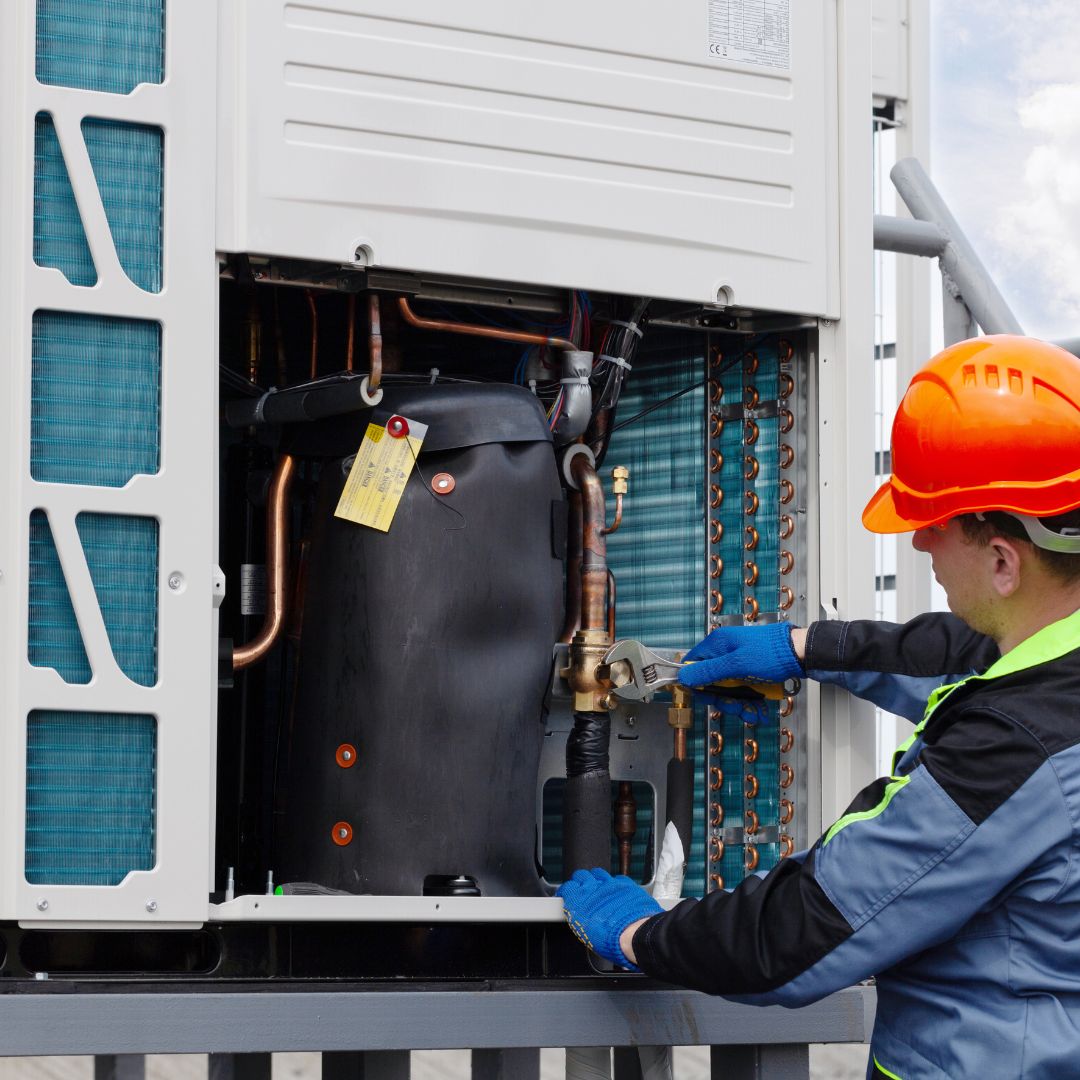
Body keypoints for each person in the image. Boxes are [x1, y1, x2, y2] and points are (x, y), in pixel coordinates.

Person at [558, 335, 1080, 1079]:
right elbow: (956, 655)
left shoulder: (1014, 750)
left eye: (936, 521)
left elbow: (808, 929)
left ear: (1004, 560)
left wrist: (641, 932)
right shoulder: (1049, 660)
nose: (921, 540)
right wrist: (806, 646)